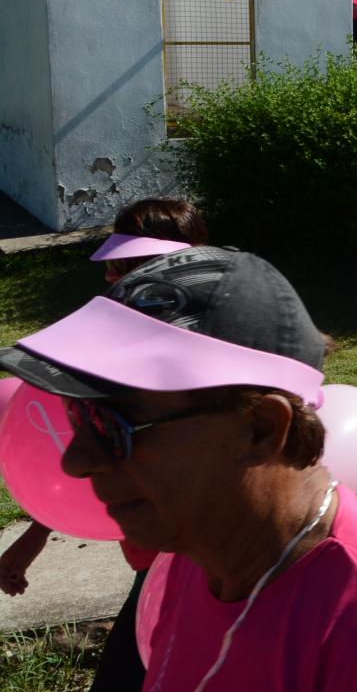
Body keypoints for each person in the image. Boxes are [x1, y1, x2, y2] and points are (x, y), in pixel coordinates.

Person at [0, 248, 357, 690]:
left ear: (261, 429)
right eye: (77, 416)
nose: (75, 459)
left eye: (111, 423)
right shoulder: (198, 553)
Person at [1, 198, 207, 691]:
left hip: (197, 559)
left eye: (133, 266)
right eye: (116, 263)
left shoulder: (206, 351)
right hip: (151, 555)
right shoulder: (108, 344)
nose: (116, 277)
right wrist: (35, 535)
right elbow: (72, 447)